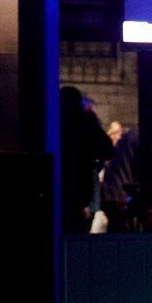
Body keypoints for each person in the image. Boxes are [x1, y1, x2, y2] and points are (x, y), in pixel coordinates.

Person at [59, 86, 112, 232]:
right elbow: (107, 150)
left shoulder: (52, 121)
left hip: (61, 186)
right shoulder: (85, 122)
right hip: (81, 188)